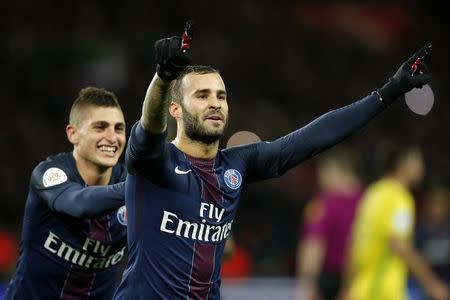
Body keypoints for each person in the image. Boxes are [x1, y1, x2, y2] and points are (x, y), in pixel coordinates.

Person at [113, 23, 433, 299]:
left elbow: (313, 138)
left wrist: (388, 92)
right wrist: (163, 78)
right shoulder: (154, 163)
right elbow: (149, 125)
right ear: (176, 110)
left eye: (221, 96)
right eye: (202, 95)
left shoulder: (235, 166)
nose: (215, 103)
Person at [5, 87, 128, 300]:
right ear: (73, 133)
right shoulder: (50, 173)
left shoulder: (129, 181)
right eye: (100, 127)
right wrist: (139, 189)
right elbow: (79, 204)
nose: (112, 137)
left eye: (119, 129)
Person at [343, 144, 450, 300]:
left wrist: (347, 287)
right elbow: (399, 245)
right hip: (384, 290)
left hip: (361, 289)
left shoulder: (373, 193)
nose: (422, 166)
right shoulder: (399, 197)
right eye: (417, 160)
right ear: (402, 165)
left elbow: (353, 245)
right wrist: (432, 284)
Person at [297, 145, 364, 300]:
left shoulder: (322, 205)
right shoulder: (370, 201)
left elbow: (313, 246)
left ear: (333, 171)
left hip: (332, 283)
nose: (320, 180)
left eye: (322, 173)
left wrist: (307, 284)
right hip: (366, 280)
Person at [409, 184, 450, 300]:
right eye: (435, 205)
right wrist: (431, 285)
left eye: (442, 205)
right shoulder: (421, 231)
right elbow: (414, 260)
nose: (438, 209)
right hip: (424, 282)